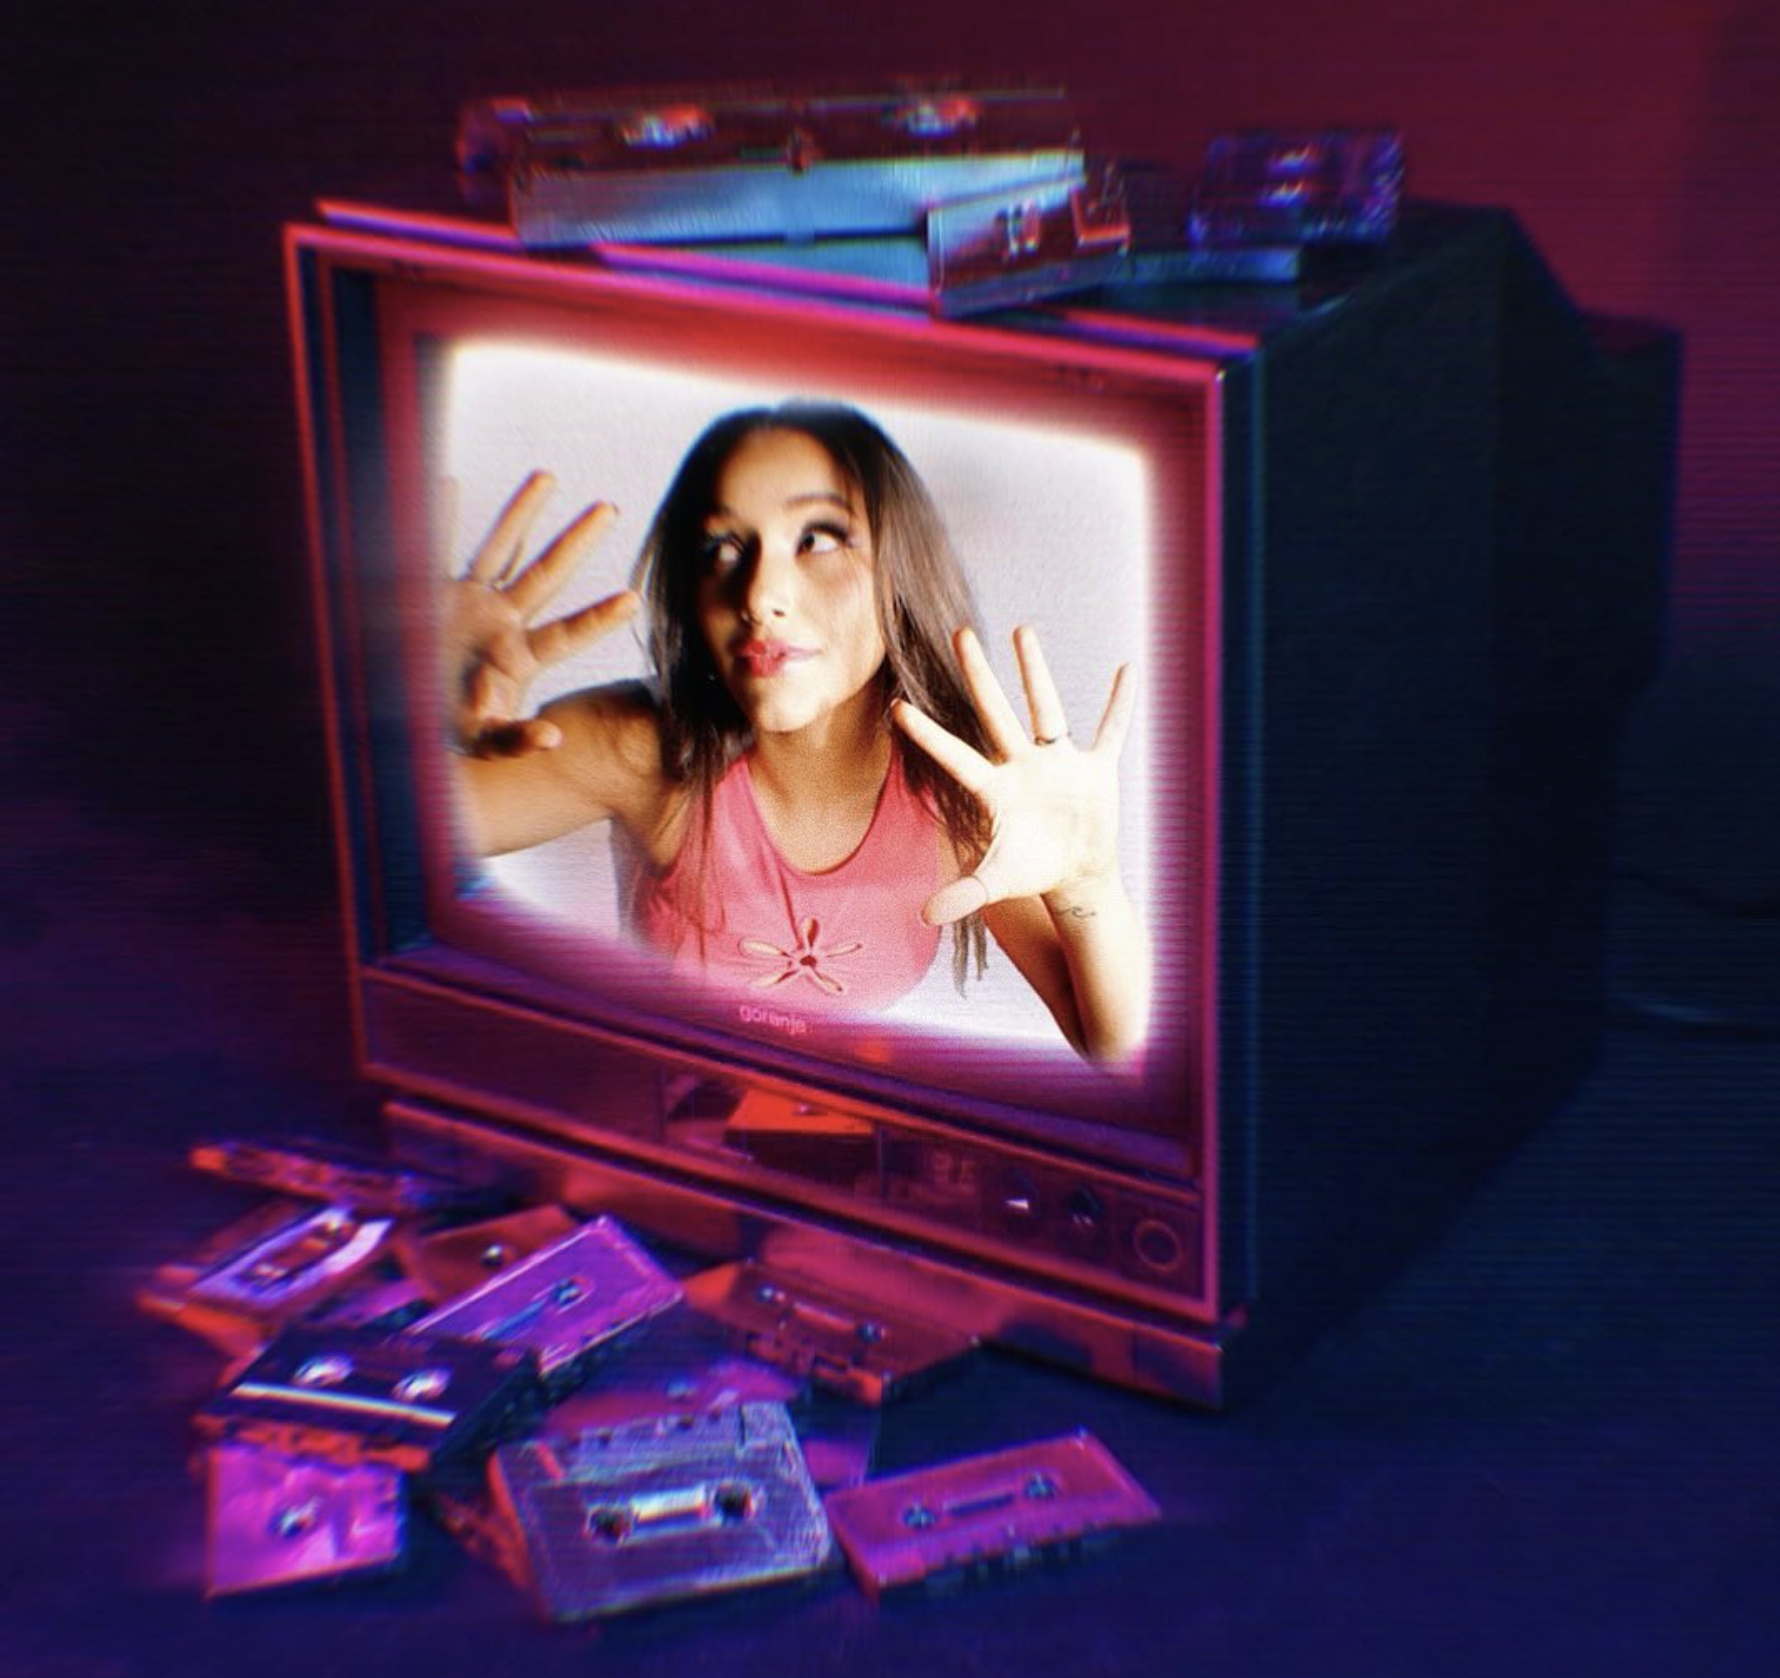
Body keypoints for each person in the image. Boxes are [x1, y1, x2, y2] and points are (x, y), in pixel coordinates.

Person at [444, 402, 1150, 1064]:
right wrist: (393, 696)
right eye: (722, 547)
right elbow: (363, 839)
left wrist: (1090, 883)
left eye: (817, 538)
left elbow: (1113, 1050)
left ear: (902, 572)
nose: (758, 596)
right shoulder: (640, 749)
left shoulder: (964, 790)